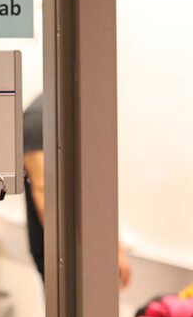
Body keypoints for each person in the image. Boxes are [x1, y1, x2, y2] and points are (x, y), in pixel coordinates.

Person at [22, 94, 131, 288]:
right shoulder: (38, 118)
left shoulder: (82, 114)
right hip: (61, 250)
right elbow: (44, 192)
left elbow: (98, 192)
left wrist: (115, 247)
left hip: (87, 245)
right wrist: (76, 255)